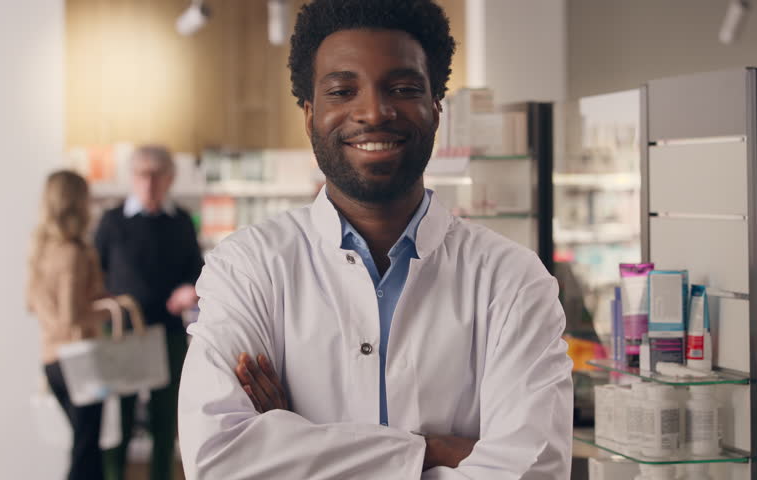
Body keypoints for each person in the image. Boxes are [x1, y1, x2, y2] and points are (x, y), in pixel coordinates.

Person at [178, 0, 573, 478]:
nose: (373, 111)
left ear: (435, 109)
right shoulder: (248, 267)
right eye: (343, 90)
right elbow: (219, 458)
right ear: (309, 114)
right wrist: (434, 449)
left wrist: (297, 444)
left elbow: (533, 469)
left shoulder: (512, 279)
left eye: (403, 88)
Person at [95, 145, 204, 480]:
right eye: (142, 174)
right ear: (131, 178)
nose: (149, 182)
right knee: (119, 422)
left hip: (168, 332)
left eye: (157, 174)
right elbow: (96, 273)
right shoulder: (113, 221)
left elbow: (196, 271)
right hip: (121, 334)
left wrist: (190, 290)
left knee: (164, 421)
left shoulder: (181, 221)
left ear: (169, 178)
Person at [27, 170, 108, 480]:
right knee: (87, 452)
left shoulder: (42, 249)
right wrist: (107, 310)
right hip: (80, 360)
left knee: (82, 446)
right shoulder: (73, 253)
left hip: (52, 359)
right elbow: (70, 317)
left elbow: (33, 304)